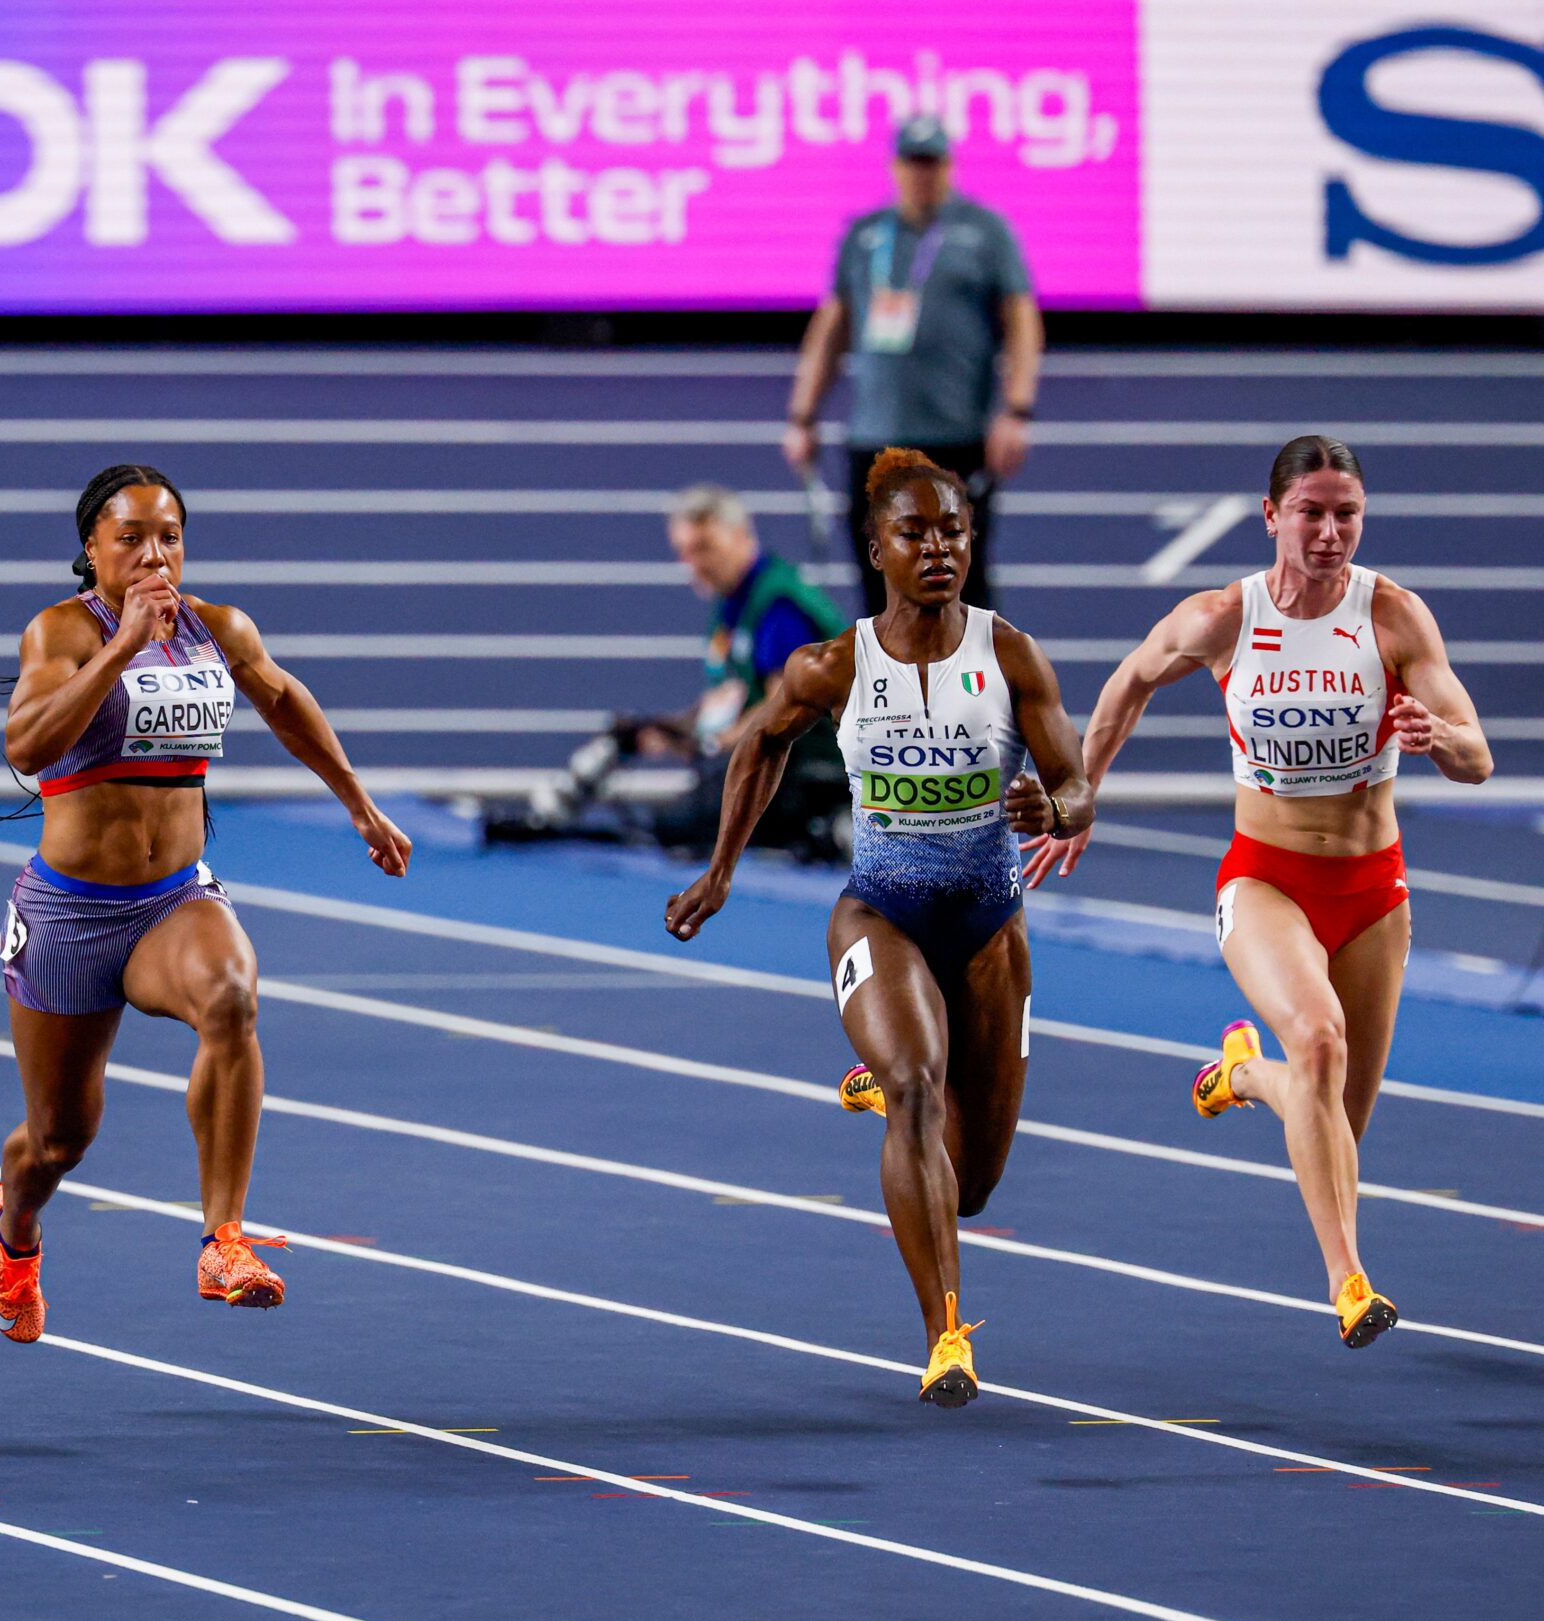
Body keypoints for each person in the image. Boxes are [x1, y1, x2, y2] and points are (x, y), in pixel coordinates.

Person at [1023, 435, 1490, 1349]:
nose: (1329, 532)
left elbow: (1478, 756)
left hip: (1373, 890)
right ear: (1272, 516)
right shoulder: (1222, 619)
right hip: (1266, 877)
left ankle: (1240, 1073)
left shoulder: (1393, 617)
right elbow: (1126, 684)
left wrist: (1438, 734)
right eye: (1311, 512)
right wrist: (1083, 796)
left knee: (1339, 1121)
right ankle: (1350, 1282)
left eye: (1346, 513)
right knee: (1318, 1042)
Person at [664, 449, 1092, 1406]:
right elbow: (759, 745)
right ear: (877, 549)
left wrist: (1055, 809)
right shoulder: (835, 663)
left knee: (971, 1185)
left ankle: (899, 1090)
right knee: (915, 1089)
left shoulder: (1010, 652)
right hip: (881, 911)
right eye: (916, 532)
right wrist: (722, 870)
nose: (938, 548)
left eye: (954, 531)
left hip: (988, 927)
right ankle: (947, 1335)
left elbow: (1078, 782)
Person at [0, 464, 412, 1342]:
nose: (153, 555)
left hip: (171, 900)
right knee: (60, 1140)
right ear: (91, 549)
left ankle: (224, 1238)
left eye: (169, 536)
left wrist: (360, 805)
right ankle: (13, 1228)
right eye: (130, 537)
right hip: (70, 912)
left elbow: (285, 701)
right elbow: (25, 744)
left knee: (232, 996)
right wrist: (122, 647)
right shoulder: (59, 632)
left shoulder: (218, 629)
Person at [487, 484, 848, 856]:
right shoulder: (734, 604)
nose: (693, 565)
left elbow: (784, 709)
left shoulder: (779, 606)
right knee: (663, 797)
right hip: (771, 766)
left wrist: (714, 743)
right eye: (684, 552)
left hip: (806, 769)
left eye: (703, 548)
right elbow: (729, 704)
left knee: (674, 829)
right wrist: (667, 732)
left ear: (740, 536)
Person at [783, 115, 1043, 617]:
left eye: (933, 162)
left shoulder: (985, 233)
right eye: (914, 162)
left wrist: (1017, 409)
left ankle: (981, 692)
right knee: (879, 579)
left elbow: (1021, 318)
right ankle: (890, 693)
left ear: (949, 165)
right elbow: (832, 326)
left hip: (956, 438)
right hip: (875, 438)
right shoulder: (865, 236)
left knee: (960, 583)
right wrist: (803, 414)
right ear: (895, 167)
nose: (924, 173)